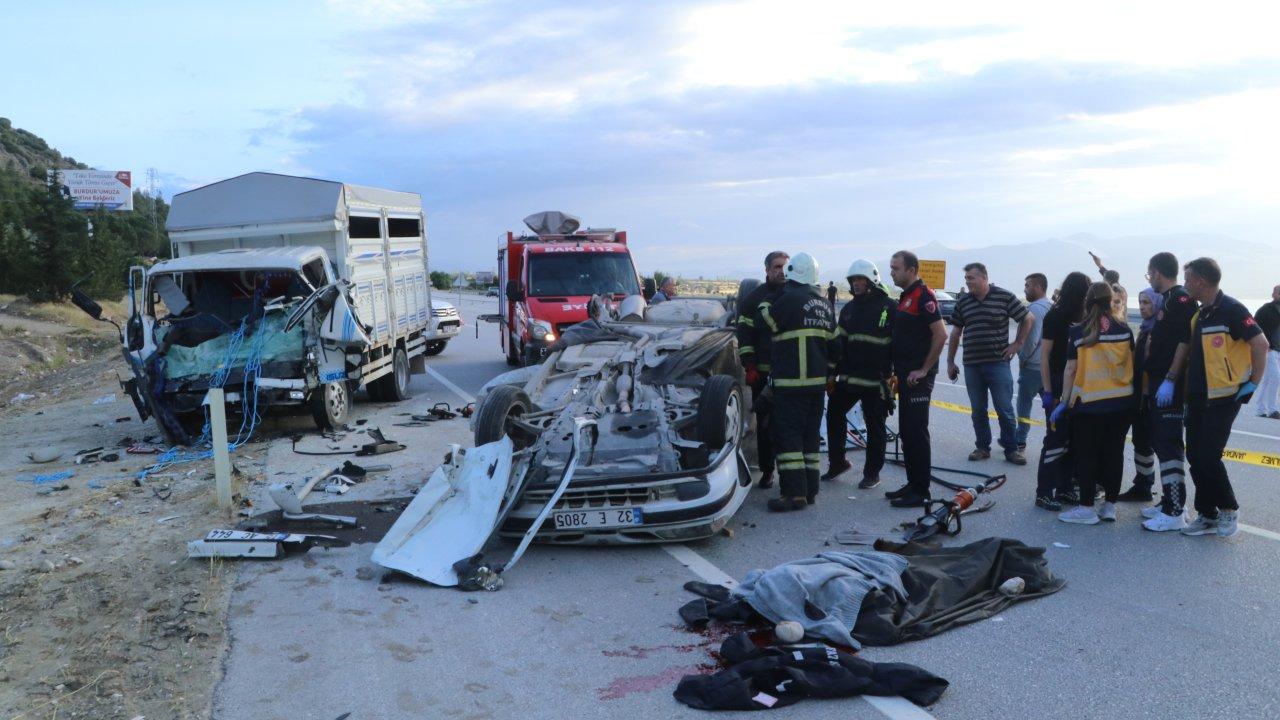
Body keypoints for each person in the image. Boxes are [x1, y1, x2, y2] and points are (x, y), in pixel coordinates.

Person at [1178, 257, 1269, 538]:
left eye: (1188, 279)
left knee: (1208, 456)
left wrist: (1252, 384)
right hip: (1197, 397)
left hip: (1224, 397)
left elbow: (1261, 343)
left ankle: (1229, 509)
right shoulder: (1201, 313)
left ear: (1200, 281)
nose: (1185, 284)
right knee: (1194, 454)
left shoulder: (1232, 309)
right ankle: (1207, 514)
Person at [1122, 253, 1198, 531]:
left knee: (1169, 446)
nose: (1149, 279)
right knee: (1161, 443)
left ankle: (1175, 509)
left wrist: (1170, 377)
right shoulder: (1168, 301)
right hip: (1158, 381)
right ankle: (1168, 501)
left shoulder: (1179, 300)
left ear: (1157, 272)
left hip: (1169, 384)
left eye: (1149, 274)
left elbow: (1184, 342)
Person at [756, 252, 835, 512]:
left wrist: (768, 300)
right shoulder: (824, 305)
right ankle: (810, 490)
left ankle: (793, 494)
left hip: (791, 385)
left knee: (788, 439)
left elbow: (767, 320)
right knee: (810, 440)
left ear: (792, 274)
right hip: (816, 387)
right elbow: (836, 348)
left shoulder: (788, 300)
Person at [1050, 282, 1135, 524]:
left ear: (1087, 301)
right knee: (1114, 454)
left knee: (1087, 456)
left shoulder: (1078, 332)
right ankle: (1109, 506)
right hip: (1120, 404)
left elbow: (1070, 369)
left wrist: (1063, 402)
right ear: (1111, 301)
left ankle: (1087, 507)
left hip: (1089, 404)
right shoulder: (1124, 330)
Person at [946, 263, 1035, 465]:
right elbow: (955, 332)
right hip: (972, 365)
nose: (968, 282)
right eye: (966, 278)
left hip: (998, 363)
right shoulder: (964, 301)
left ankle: (1012, 449)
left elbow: (1028, 318)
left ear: (984, 277)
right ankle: (982, 447)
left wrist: (1017, 344)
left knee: (1004, 408)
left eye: (971, 278)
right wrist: (950, 361)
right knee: (978, 409)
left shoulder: (1003, 296)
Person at [823, 259, 895, 489]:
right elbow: (838, 343)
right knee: (834, 413)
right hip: (850, 378)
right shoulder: (849, 309)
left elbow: (899, 344)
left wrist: (896, 374)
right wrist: (831, 374)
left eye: (860, 280)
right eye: (853, 280)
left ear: (871, 281)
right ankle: (837, 462)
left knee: (875, 427)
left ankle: (872, 473)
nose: (855, 284)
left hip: (876, 380)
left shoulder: (889, 307)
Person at [885, 250, 948, 507]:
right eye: (891, 267)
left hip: (917, 377)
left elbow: (941, 335)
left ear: (912, 269)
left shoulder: (924, 296)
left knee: (916, 432)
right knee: (907, 432)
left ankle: (921, 491)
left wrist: (924, 369)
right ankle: (913, 483)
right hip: (904, 375)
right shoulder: (906, 297)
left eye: (896, 268)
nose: (892, 272)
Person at [1034, 271, 1091, 511]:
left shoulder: (1087, 318)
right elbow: (1045, 355)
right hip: (1058, 382)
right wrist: (1048, 391)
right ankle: (1044, 492)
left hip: (1079, 385)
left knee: (1073, 440)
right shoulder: (1055, 316)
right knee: (1055, 439)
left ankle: (1066, 487)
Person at [737, 251, 789, 488]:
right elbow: (744, 334)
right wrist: (749, 365)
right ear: (767, 270)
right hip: (763, 375)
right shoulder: (753, 299)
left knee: (788, 424)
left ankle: (790, 473)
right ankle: (768, 470)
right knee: (765, 425)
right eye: (777, 266)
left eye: (785, 267)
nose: (781, 271)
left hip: (790, 374)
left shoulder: (794, 295)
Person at [1126, 287, 1163, 512]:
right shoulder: (1145, 328)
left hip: (1154, 397)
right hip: (1140, 396)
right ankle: (1143, 485)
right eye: (1140, 302)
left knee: (1160, 445)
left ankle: (1169, 497)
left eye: (1147, 302)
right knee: (1141, 442)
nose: (1142, 307)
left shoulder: (1159, 330)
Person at [1016, 274, 1052, 451]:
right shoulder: (1051, 306)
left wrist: (1023, 358)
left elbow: (1032, 339)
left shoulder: (1036, 309)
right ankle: (1052, 439)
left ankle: (1020, 440)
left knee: (1024, 403)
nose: (1025, 289)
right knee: (1050, 406)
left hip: (1033, 366)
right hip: (1047, 366)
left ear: (1038, 287)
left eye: (1027, 285)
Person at [1253, 285, 1280, 419]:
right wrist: (1263, 344)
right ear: (1273, 294)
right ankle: (1273, 409)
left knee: (1269, 379)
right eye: (1278, 293)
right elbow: (1254, 325)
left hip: (1278, 350)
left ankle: (1260, 409)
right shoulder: (1266, 310)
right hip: (1269, 349)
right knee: (1275, 377)